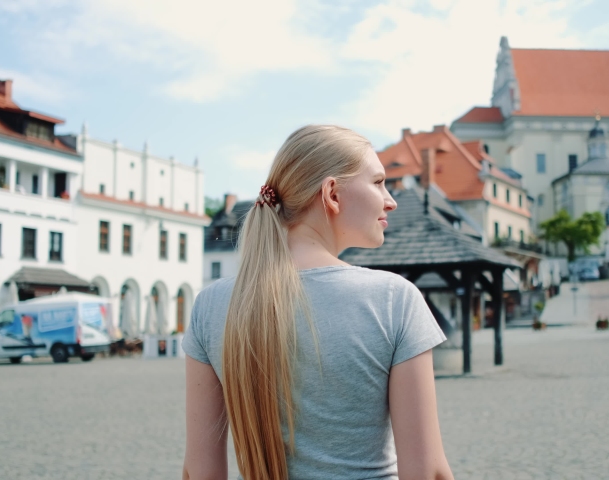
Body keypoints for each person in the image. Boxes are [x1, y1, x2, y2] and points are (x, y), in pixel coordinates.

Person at [182, 125, 453, 480]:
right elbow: (428, 472)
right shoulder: (393, 300)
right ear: (332, 194)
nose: (391, 200)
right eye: (378, 183)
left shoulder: (211, 306)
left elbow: (199, 472)